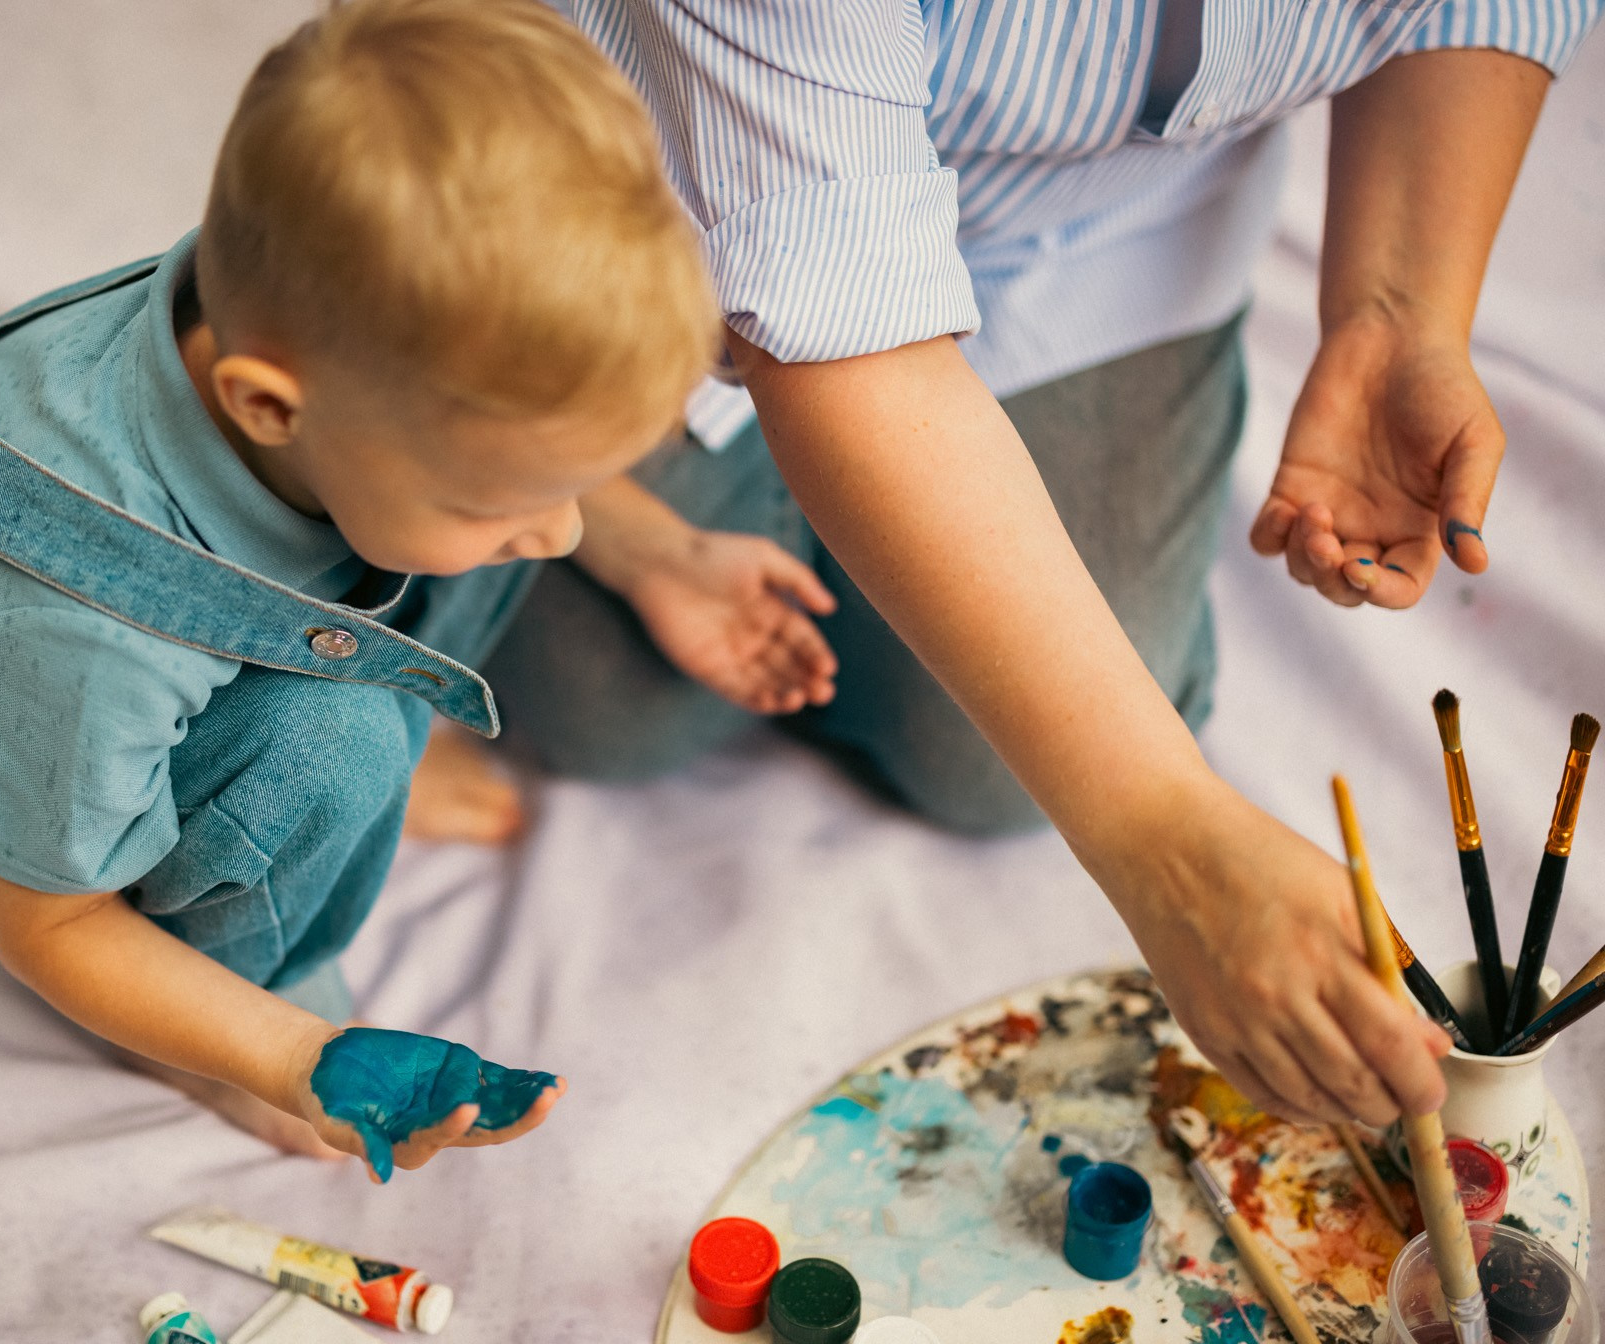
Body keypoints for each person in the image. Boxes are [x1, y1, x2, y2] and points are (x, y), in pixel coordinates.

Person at [0, 0, 818, 1178]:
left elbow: (503, 468)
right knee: (331, 745)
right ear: (265, 405)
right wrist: (290, 1049)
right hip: (34, 823)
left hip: (198, 629)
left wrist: (652, 551)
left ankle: (380, 725)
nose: (556, 532)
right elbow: (46, 923)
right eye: (500, 497)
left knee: (438, 546)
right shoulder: (69, 628)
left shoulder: (332, 348)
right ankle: (227, 983)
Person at [484, 0, 1599, 1128]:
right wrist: (1171, 849)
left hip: (1088, 224)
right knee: (603, 709)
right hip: (649, 197)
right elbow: (843, 326)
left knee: (999, 768)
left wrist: (1396, 314)